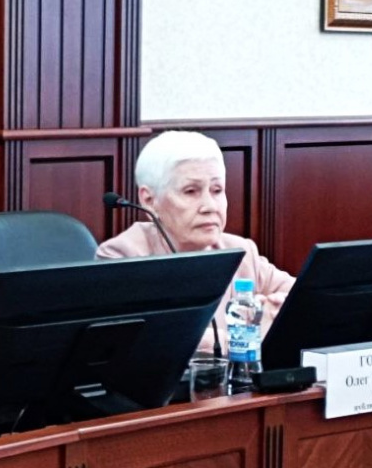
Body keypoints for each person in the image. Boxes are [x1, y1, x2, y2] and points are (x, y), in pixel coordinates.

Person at [96, 131, 295, 354]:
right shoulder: (122, 255)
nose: (210, 206)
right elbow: (157, 338)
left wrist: (272, 314)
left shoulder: (241, 252)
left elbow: (302, 300)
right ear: (149, 200)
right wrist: (252, 329)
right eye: (191, 192)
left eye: (217, 190)